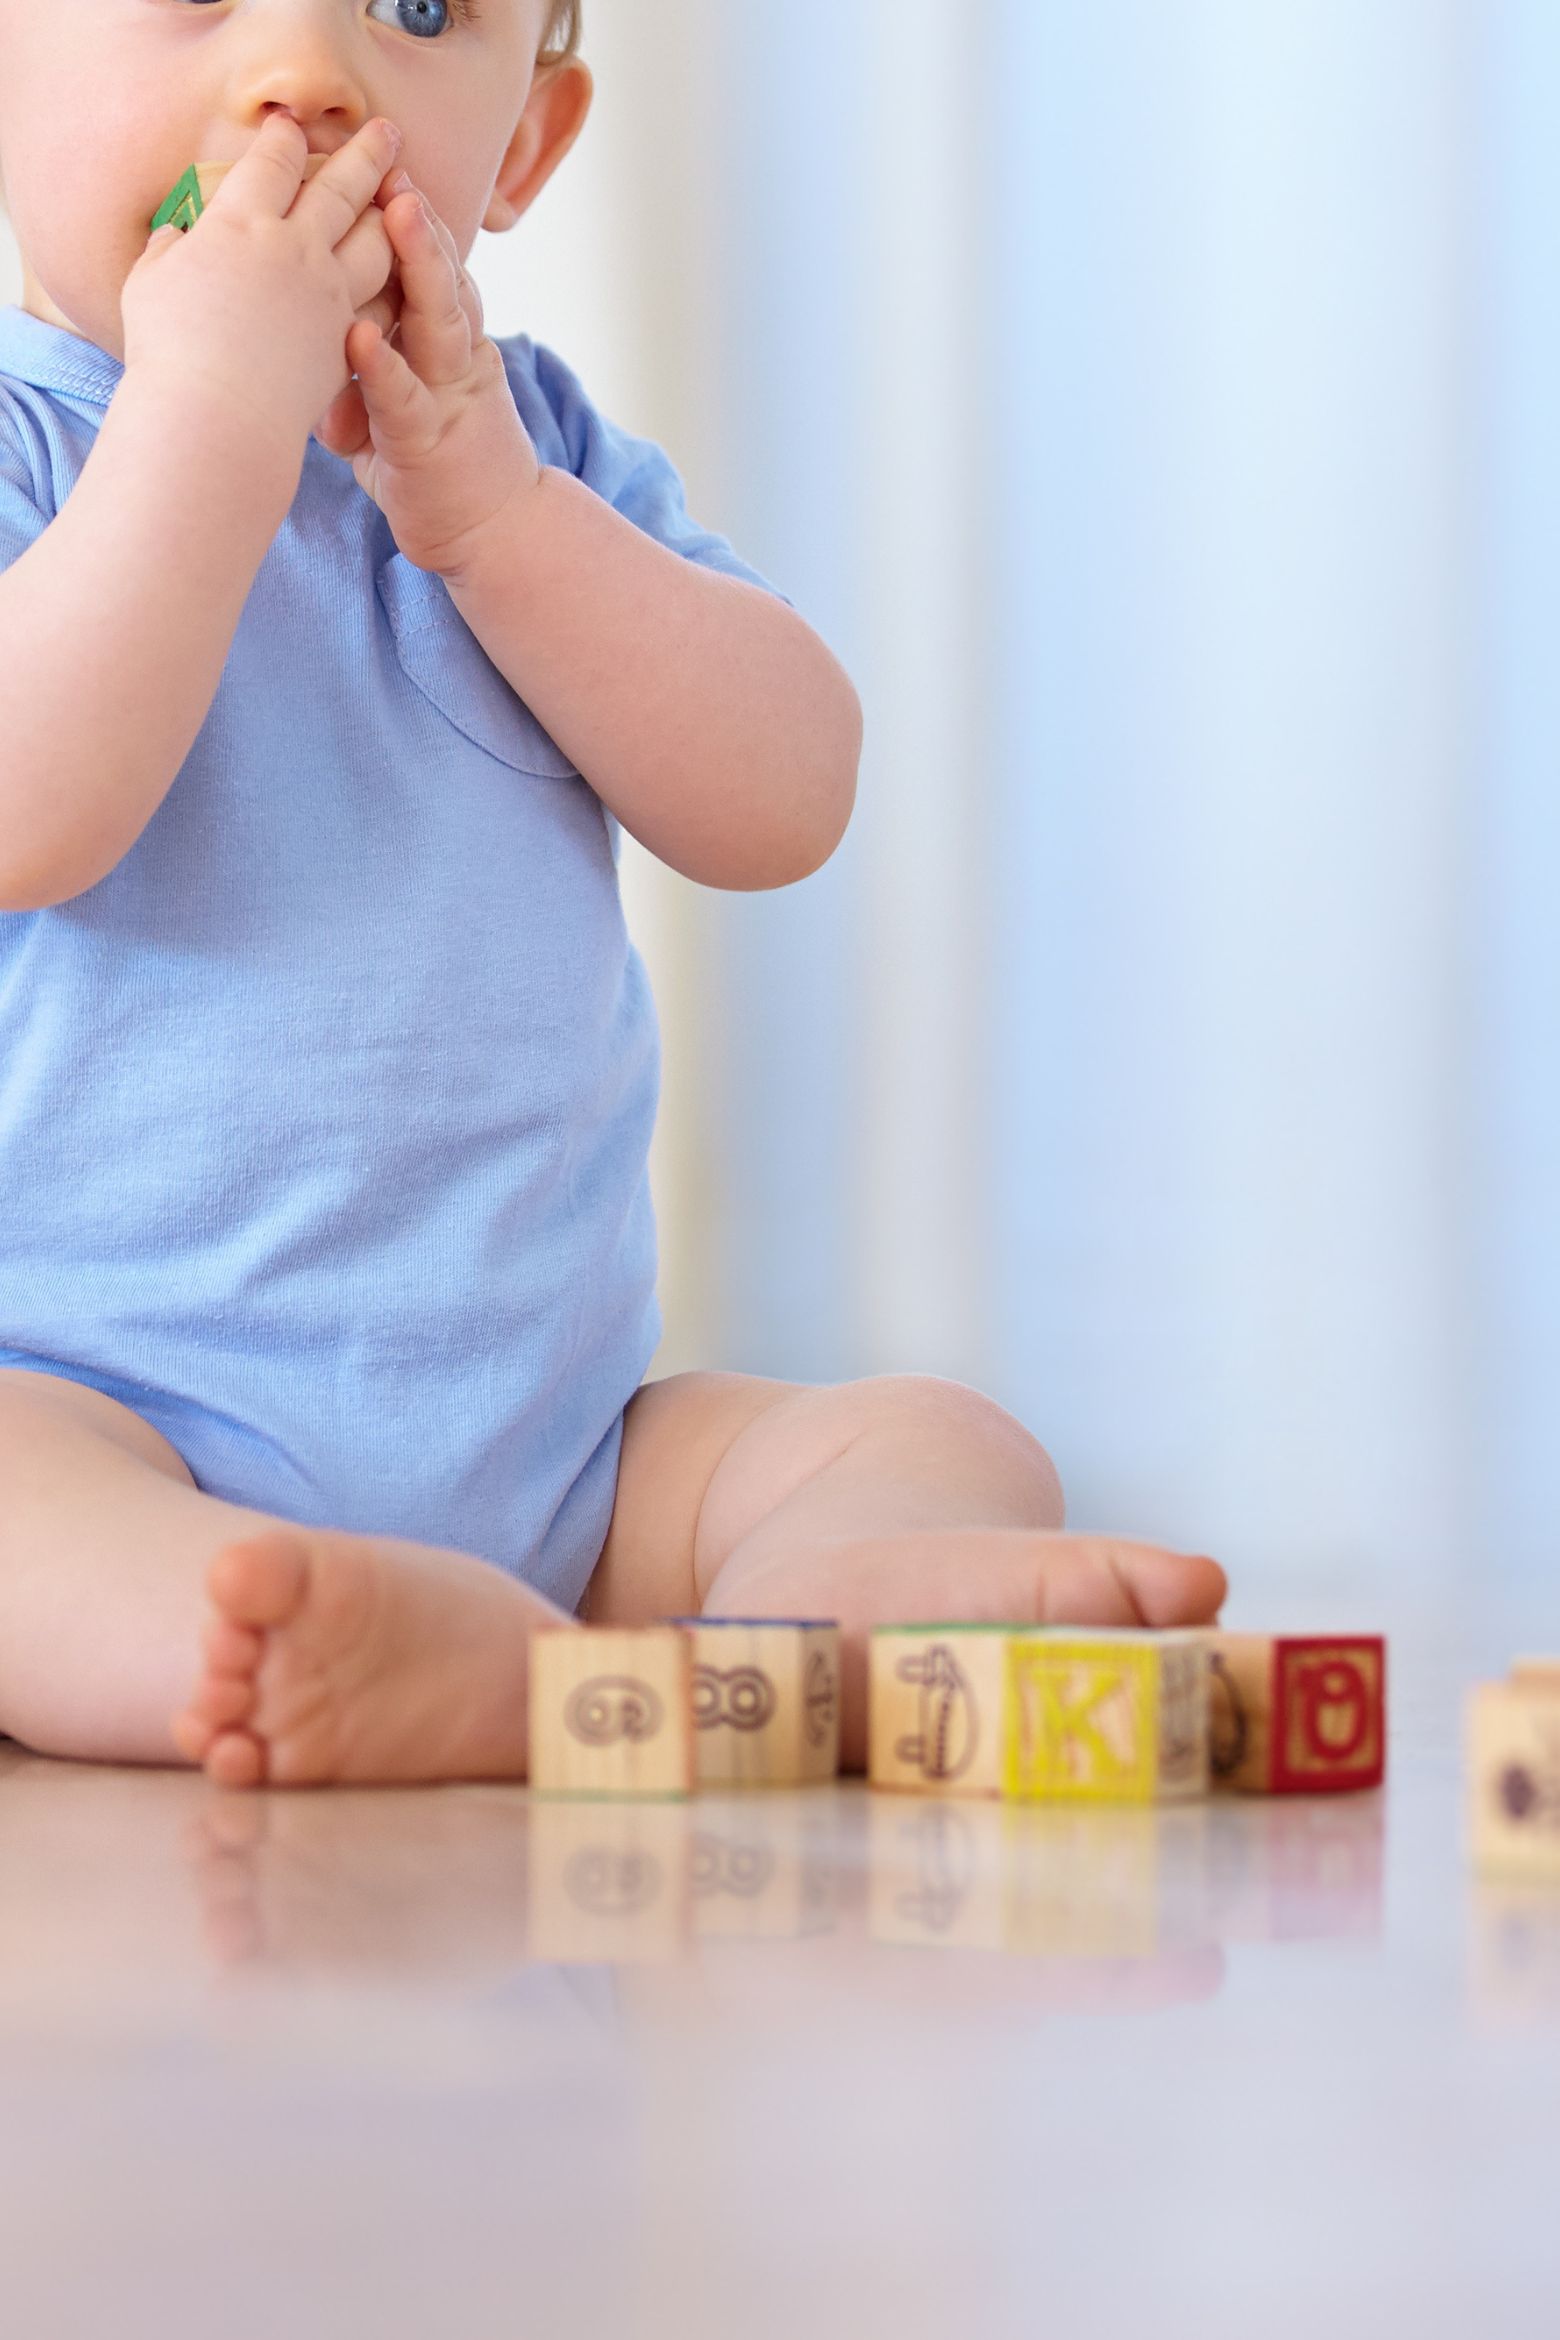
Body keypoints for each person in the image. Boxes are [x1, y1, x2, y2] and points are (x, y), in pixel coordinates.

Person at [0, 0, 1224, 1787]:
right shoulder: (35, 466)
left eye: (418, 8)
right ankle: (356, 1645)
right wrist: (208, 409)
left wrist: (489, 515)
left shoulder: (534, 459)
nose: (306, 73)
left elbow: (786, 794)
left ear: (522, 150)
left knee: (931, 1432)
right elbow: (34, 805)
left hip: (567, 1473)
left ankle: (798, 1618)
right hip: (106, 1426)